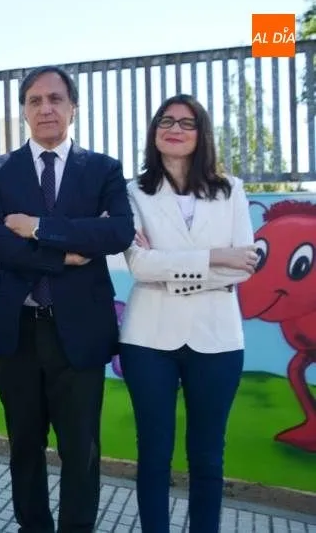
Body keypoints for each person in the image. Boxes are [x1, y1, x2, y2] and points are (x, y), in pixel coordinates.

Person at [0, 65, 135, 533]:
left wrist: (39, 229)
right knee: (24, 444)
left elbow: (116, 231)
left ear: (73, 107)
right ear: (23, 110)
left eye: (56, 99)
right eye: (35, 100)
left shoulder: (103, 169)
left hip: (79, 332)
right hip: (17, 329)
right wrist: (63, 257)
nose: (46, 108)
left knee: (80, 448)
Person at [119, 94, 257, 533]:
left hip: (217, 338)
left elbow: (247, 265)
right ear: (154, 132)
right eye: (166, 120)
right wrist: (218, 256)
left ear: (202, 135)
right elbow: (139, 264)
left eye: (187, 122)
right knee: (154, 455)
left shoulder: (230, 190)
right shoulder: (132, 192)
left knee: (207, 456)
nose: (174, 128)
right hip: (148, 341)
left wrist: (170, 268)